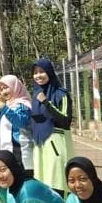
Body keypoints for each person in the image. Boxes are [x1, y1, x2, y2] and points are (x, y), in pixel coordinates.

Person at [31, 58, 74, 193]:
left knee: (58, 183)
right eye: (35, 72)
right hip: (39, 146)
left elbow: (65, 120)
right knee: (42, 185)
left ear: (49, 72)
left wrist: (46, 103)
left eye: (42, 71)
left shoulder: (61, 94)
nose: (38, 75)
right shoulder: (36, 94)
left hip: (56, 144)